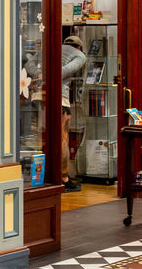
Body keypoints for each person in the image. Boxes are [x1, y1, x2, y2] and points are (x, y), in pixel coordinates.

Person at [60, 35, 88, 192]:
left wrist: (40, 77)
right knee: (63, 139)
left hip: (39, 94)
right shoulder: (79, 55)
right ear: (79, 47)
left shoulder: (55, 50)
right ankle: (64, 178)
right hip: (60, 99)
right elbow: (63, 71)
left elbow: (30, 65)